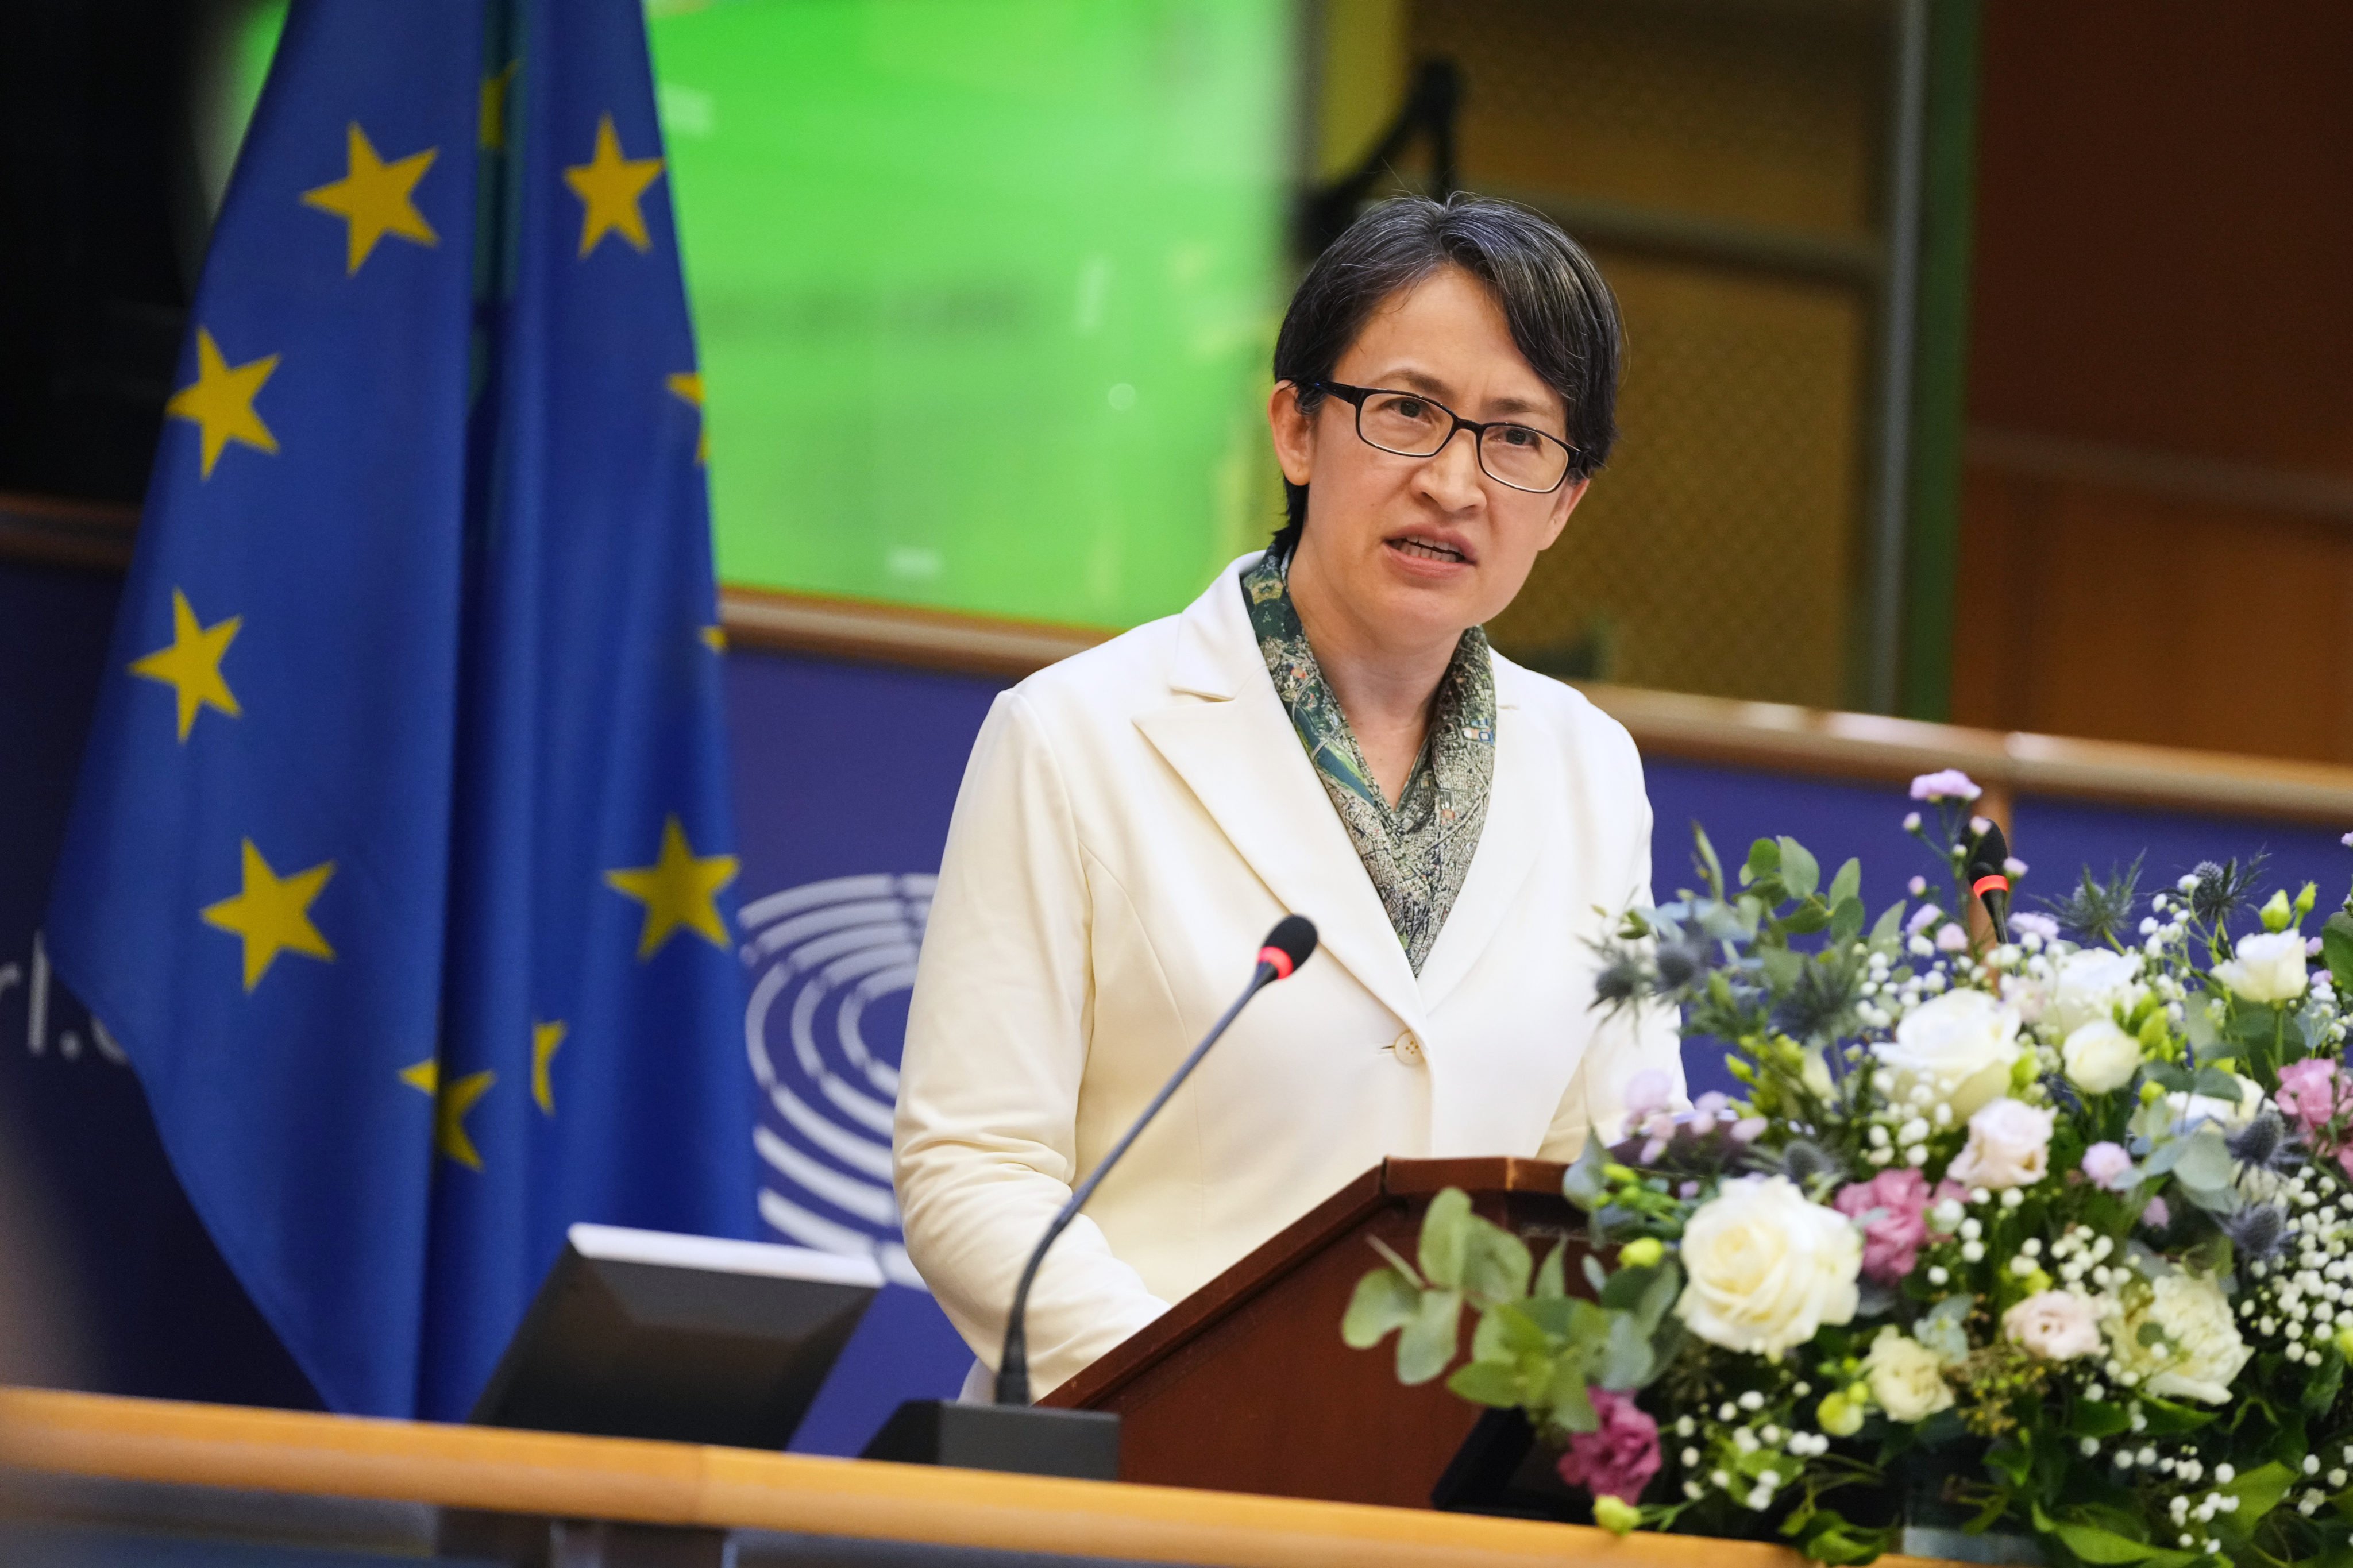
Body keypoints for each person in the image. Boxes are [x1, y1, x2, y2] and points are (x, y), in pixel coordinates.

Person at [893, 194, 1683, 1400]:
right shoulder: (1074, 735)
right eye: (1408, 411)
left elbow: (1618, 1173)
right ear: (1297, 428)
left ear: (1564, 501)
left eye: (1517, 438)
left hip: (1443, 1474)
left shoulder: (1590, 768)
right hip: (1137, 1458)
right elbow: (973, 1170)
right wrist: (1205, 1399)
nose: (1453, 483)